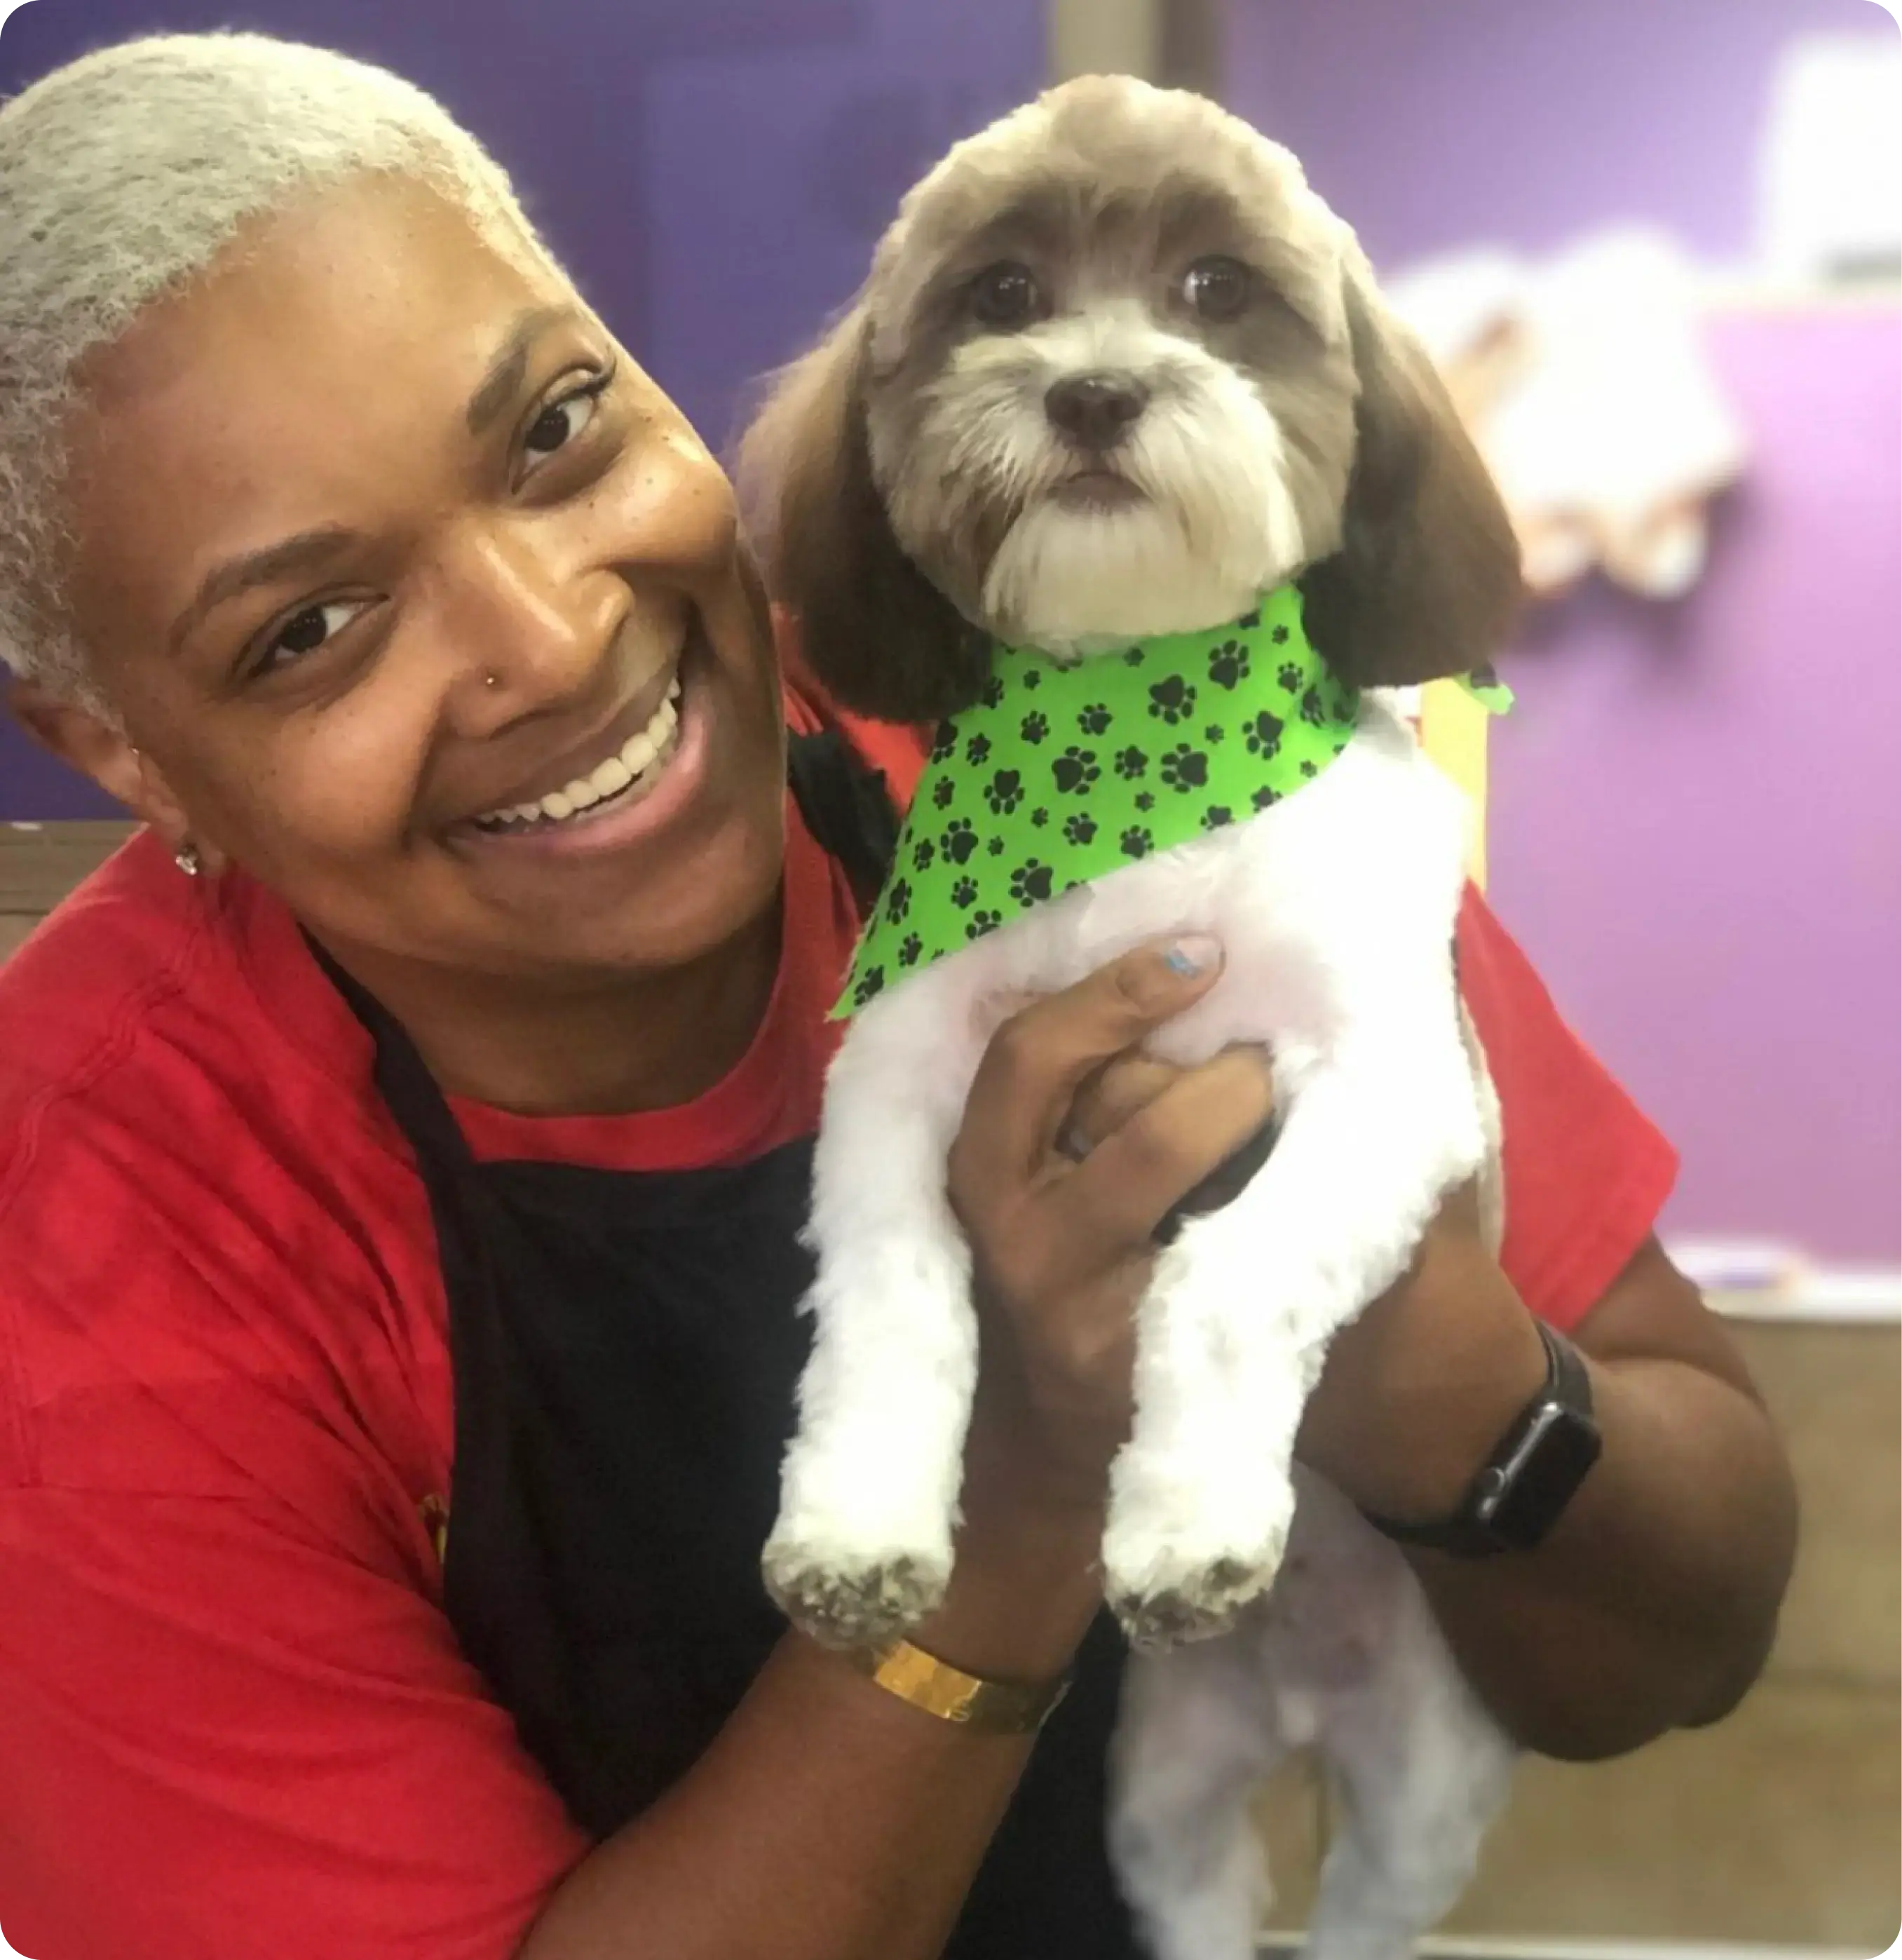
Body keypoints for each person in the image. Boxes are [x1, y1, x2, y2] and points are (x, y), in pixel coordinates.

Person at [0, 33, 1796, 1960]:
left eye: (555, 434)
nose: (558, 636)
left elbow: (1672, 1648)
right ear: (123, 751)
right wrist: (1024, 1475)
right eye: (310, 632)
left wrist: (1422, 1353)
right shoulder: (90, 1242)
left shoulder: (1130, 744)